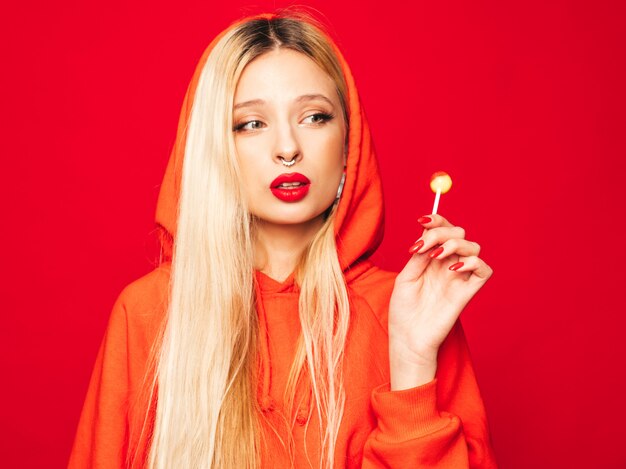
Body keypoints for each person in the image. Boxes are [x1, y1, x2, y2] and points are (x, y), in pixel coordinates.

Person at [68, 11, 497, 469]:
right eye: (250, 124)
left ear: (349, 144)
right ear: (215, 150)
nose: (287, 147)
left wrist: (412, 360)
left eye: (314, 117)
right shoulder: (149, 313)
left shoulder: (410, 312)